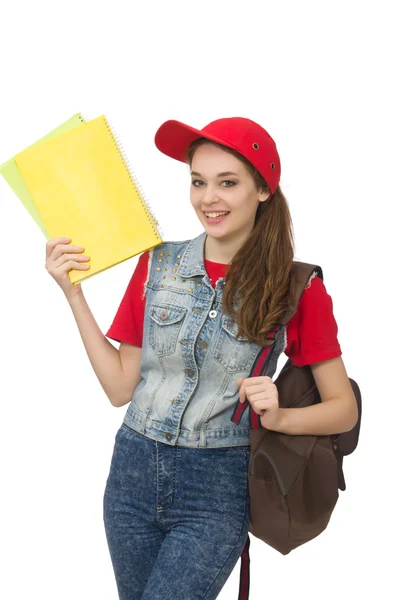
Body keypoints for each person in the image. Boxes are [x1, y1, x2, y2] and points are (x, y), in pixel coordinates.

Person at [44, 117, 358, 599]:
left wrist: (279, 416)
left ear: (263, 190)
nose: (208, 198)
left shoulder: (297, 287)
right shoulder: (157, 263)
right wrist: (73, 296)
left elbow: (343, 408)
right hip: (131, 474)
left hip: (215, 488)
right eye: (198, 181)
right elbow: (118, 388)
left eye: (227, 183)